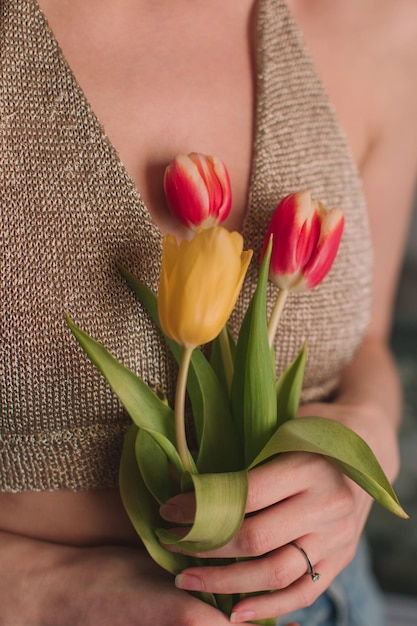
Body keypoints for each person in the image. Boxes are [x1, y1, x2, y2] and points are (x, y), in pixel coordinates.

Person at [1, 0, 417, 624]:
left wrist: (369, 440)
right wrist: (42, 592)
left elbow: (369, 343)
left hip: (325, 604)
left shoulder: (379, 21)